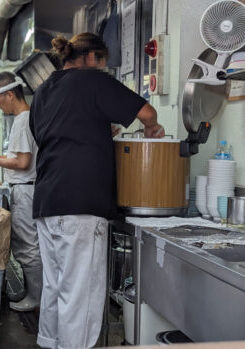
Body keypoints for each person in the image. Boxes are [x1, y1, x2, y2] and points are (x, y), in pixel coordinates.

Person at [29, 33, 164, 349]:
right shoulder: (92, 80)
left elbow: (50, 136)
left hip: (47, 200)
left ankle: (50, 344)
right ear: (91, 58)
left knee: (55, 286)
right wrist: (151, 128)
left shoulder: (44, 89)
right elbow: (147, 112)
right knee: (81, 294)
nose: (103, 68)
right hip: (80, 203)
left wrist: (99, 128)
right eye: (102, 61)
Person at [0, 71, 42, 312]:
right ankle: (36, 295)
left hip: (26, 191)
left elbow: (23, 162)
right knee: (26, 246)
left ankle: (37, 299)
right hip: (25, 189)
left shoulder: (23, 120)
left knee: (28, 248)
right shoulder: (23, 119)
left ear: (9, 94)